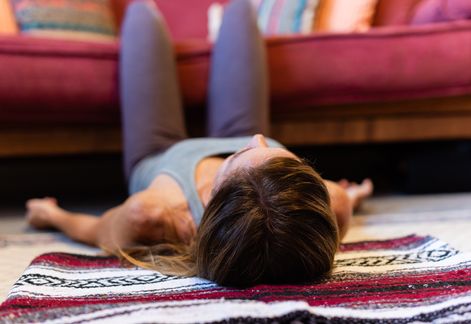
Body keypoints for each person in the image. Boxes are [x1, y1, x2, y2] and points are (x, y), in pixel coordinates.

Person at [25, 0, 373, 287]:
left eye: (246, 152)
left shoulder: (150, 214)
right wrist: (353, 198)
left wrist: (53, 215)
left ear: (212, 193)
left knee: (141, 15)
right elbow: (308, 227)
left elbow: (97, 231)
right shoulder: (332, 203)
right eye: (285, 159)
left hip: (161, 152)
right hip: (240, 168)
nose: (258, 137)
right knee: (241, 11)